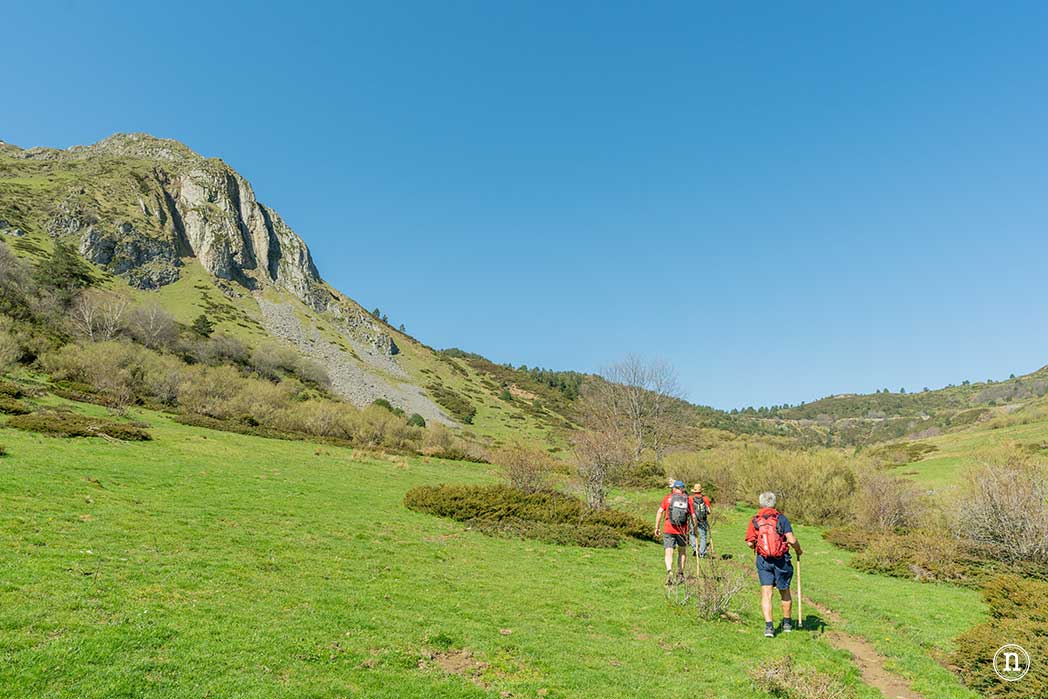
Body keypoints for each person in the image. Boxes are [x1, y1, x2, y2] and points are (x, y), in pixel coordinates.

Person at [745, 492, 803, 638]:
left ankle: (769, 627)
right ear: (774, 503)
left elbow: (750, 543)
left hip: (764, 560)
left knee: (766, 593)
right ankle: (787, 623)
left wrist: (758, 547)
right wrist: (799, 550)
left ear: (761, 504)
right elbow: (791, 539)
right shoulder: (781, 518)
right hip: (781, 560)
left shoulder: (755, 520)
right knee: (784, 591)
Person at [654, 480, 697, 584]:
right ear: (682, 489)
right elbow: (693, 516)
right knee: (682, 552)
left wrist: (657, 527)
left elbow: (659, 511)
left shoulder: (668, 498)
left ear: (674, 488)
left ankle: (669, 572)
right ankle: (680, 574)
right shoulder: (688, 499)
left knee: (669, 551)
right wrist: (695, 529)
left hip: (668, 528)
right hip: (682, 530)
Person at [689, 483, 712, 559]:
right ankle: (702, 553)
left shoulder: (690, 498)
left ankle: (695, 548)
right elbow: (709, 511)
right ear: (701, 491)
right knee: (703, 537)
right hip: (703, 520)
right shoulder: (705, 499)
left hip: (693, 519)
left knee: (692, 533)